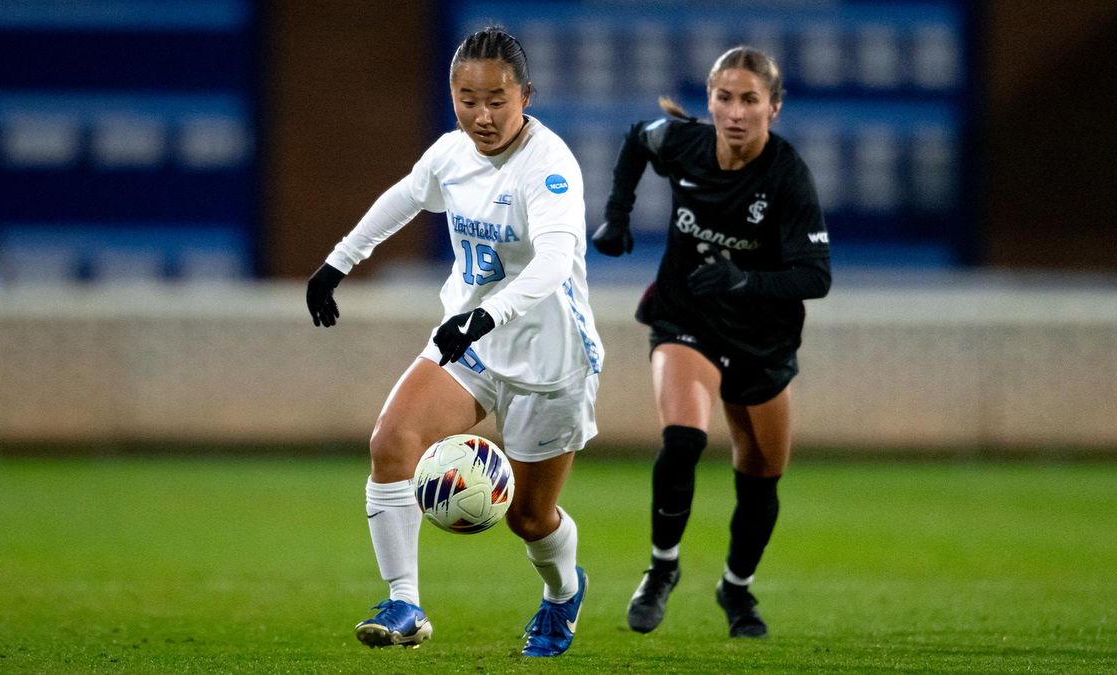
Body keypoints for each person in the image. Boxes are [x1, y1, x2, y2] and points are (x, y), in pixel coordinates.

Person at [305, 26, 603, 658]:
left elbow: (554, 262)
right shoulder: (451, 153)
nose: (482, 115)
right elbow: (406, 197)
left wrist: (485, 315)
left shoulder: (549, 166)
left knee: (528, 518)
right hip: (470, 346)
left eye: (496, 99)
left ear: (526, 94)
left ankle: (561, 593)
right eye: (467, 99)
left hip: (550, 362)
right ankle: (405, 603)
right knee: (392, 443)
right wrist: (338, 263)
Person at [591, 46, 830, 638]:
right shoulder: (685, 143)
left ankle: (736, 591)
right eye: (724, 97)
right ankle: (661, 568)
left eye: (750, 99)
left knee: (761, 472)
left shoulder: (788, 176)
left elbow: (816, 275)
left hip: (761, 337)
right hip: (685, 315)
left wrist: (745, 280)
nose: (736, 112)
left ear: (773, 107)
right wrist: (617, 215)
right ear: (711, 102)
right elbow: (636, 140)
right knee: (683, 439)